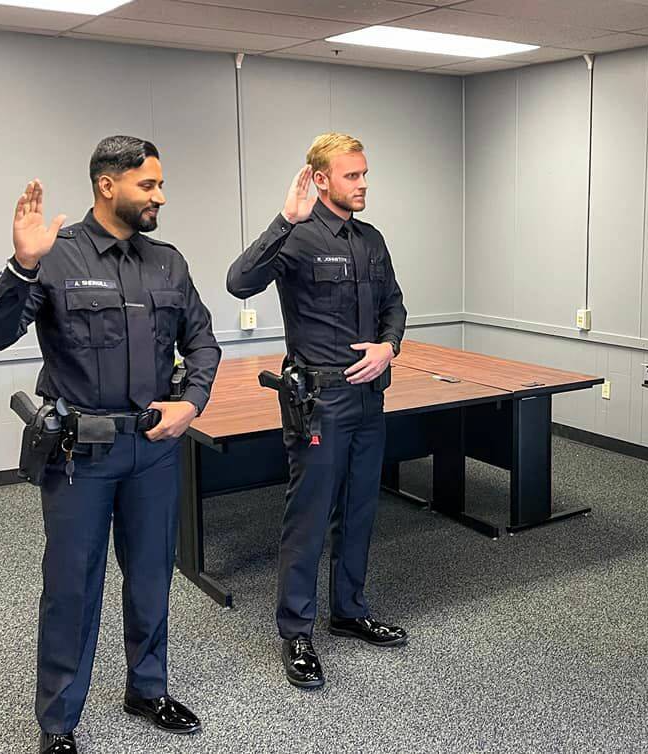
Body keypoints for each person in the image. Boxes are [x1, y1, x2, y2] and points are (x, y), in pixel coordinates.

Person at [0, 136, 221, 754]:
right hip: (80, 456)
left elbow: (204, 344)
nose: (160, 195)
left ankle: (147, 688)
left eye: (160, 184)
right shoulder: (55, 256)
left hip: (153, 450)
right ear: (107, 185)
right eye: (149, 185)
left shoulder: (169, 263)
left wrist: (190, 402)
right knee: (72, 586)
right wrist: (21, 267)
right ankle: (58, 724)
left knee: (150, 577)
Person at [227, 132, 407, 690]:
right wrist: (283, 219)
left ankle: (350, 611)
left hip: (367, 397)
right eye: (352, 175)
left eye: (364, 174)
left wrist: (388, 346)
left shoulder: (372, 240)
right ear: (321, 178)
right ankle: (296, 631)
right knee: (308, 516)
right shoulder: (298, 238)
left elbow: (395, 304)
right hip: (319, 401)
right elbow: (238, 282)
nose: (363, 184)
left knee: (359, 509)